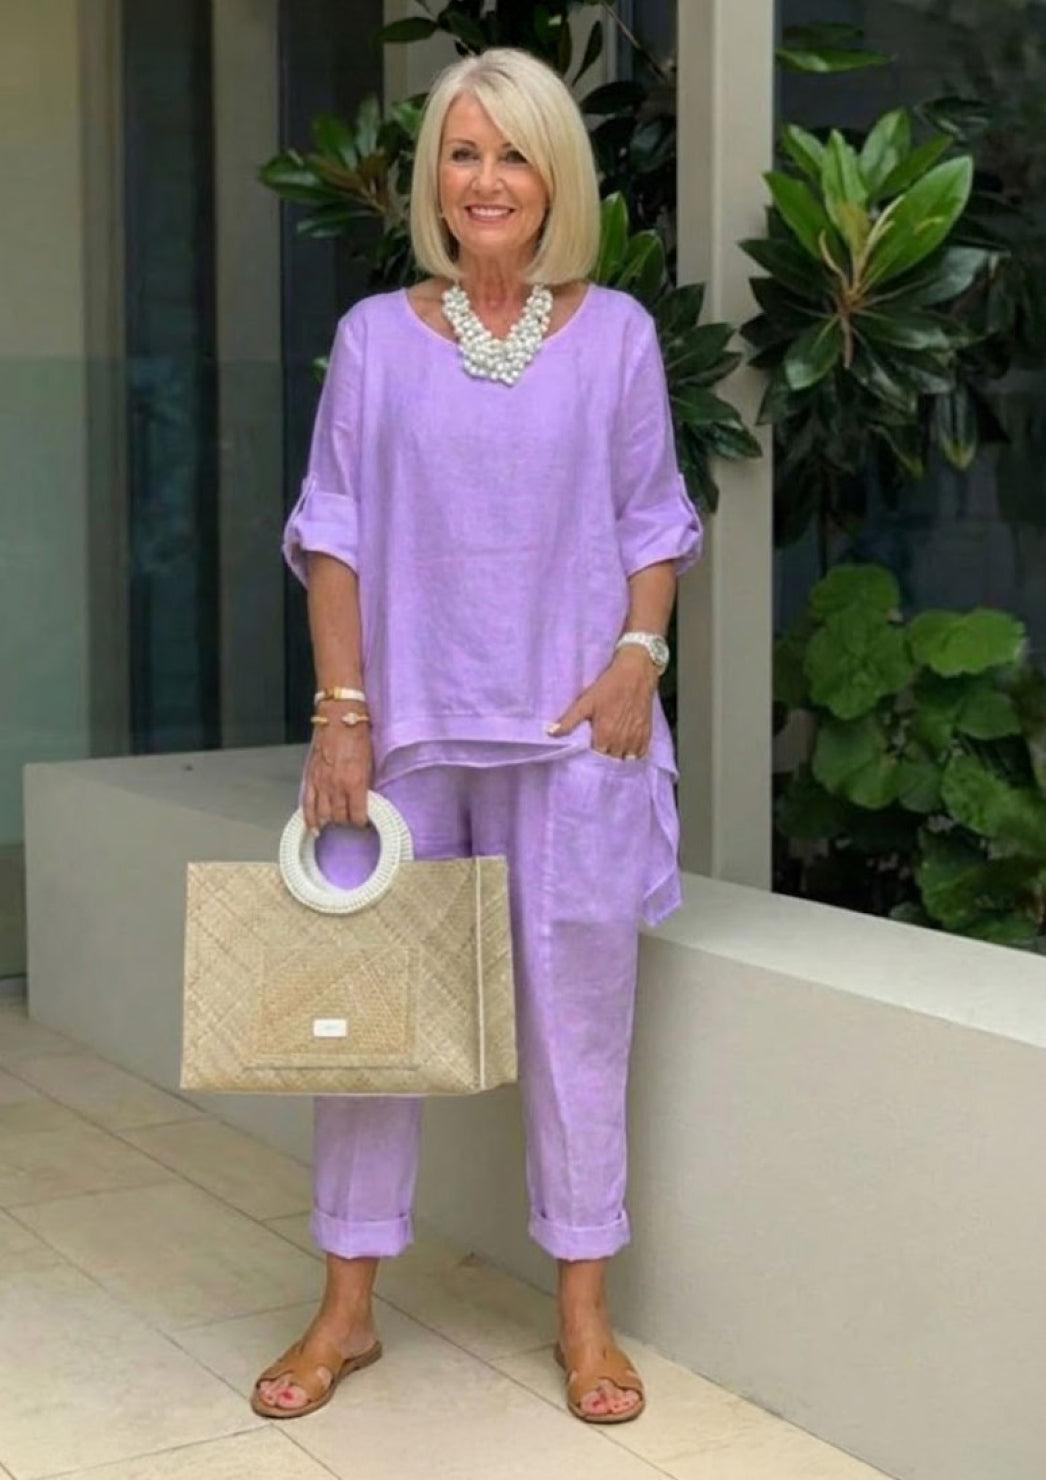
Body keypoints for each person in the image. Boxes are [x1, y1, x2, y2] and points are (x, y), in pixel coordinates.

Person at [252, 45, 704, 1426]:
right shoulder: (378, 341)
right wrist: (342, 715)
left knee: (579, 1028)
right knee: (366, 1033)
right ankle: (345, 1309)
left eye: (513, 153)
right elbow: (331, 535)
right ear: (434, 186)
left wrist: (637, 658)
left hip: (578, 740)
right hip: (409, 734)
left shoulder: (616, 332)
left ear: (552, 176)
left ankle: (581, 1316)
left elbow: (652, 524)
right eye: (462, 153)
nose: (487, 179)